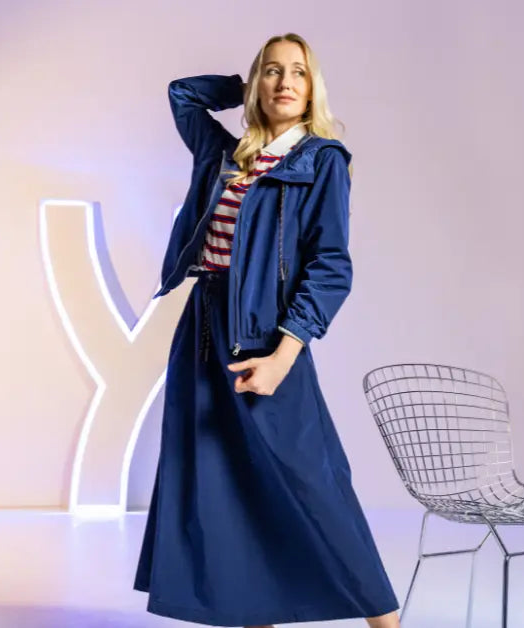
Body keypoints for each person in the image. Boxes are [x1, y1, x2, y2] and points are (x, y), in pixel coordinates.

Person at [134, 32, 401, 628]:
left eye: (298, 72)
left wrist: (284, 354)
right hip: (204, 327)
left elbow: (329, 265)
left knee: (312, 480)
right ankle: (254, 614)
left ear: (313, 88)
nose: (285, 82)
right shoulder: (227, 155)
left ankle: (384, 622)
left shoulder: (321, 160)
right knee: (221, 479)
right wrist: (243, 86)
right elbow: (182, 95)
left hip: (265, 335)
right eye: (273, 71)